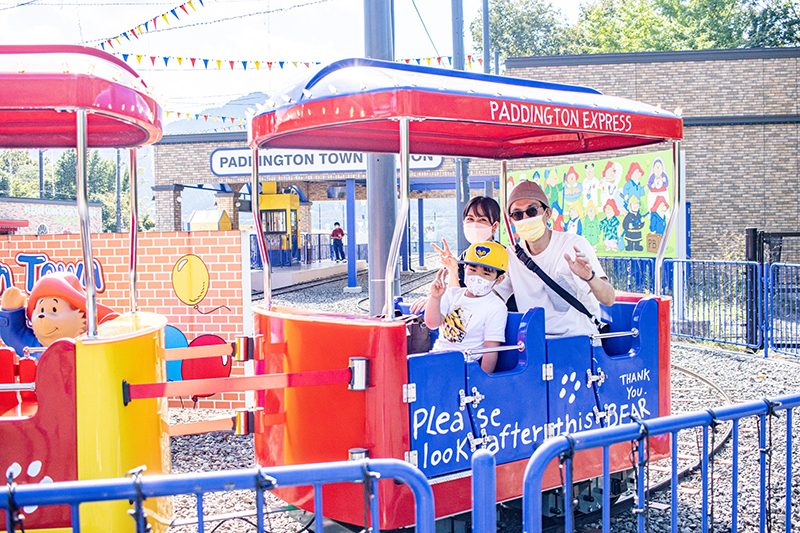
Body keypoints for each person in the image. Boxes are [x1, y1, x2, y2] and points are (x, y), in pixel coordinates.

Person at [494, 181, 615, 337]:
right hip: (534, 341)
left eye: (532, 211)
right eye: (517, 214)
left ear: (547, 213)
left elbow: (609, 299)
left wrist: (590, 277)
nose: (525, 218)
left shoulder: (573, 245)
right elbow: (494, 297)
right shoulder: (511, 255)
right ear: (512, 221)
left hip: (577, 339)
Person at [425, 241, 508, 373]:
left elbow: (491, 349)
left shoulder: (496, 307)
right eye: (473, 270)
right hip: (437, 358)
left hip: (463, 366)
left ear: (499, 279)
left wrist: (482, 379)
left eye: (486, 274)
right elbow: (432, 323)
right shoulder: (452, 294)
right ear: (465, 269)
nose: (477, 277)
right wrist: (435, 298)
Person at [409, 196, 501, 314]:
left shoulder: (501, 256)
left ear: (494, 226)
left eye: (482, 220)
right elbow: (456, 295)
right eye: (470, 219)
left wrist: (439, 300)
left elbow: (474, 300)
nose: (474, 224)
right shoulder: (465, 256)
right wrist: (453, 270)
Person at [0, 272, 118, 358]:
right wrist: (11, 311)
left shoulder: (89, 343)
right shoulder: (35, 347)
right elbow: (13, 335)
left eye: (54, 309)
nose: (42, 316)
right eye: (41, 310)